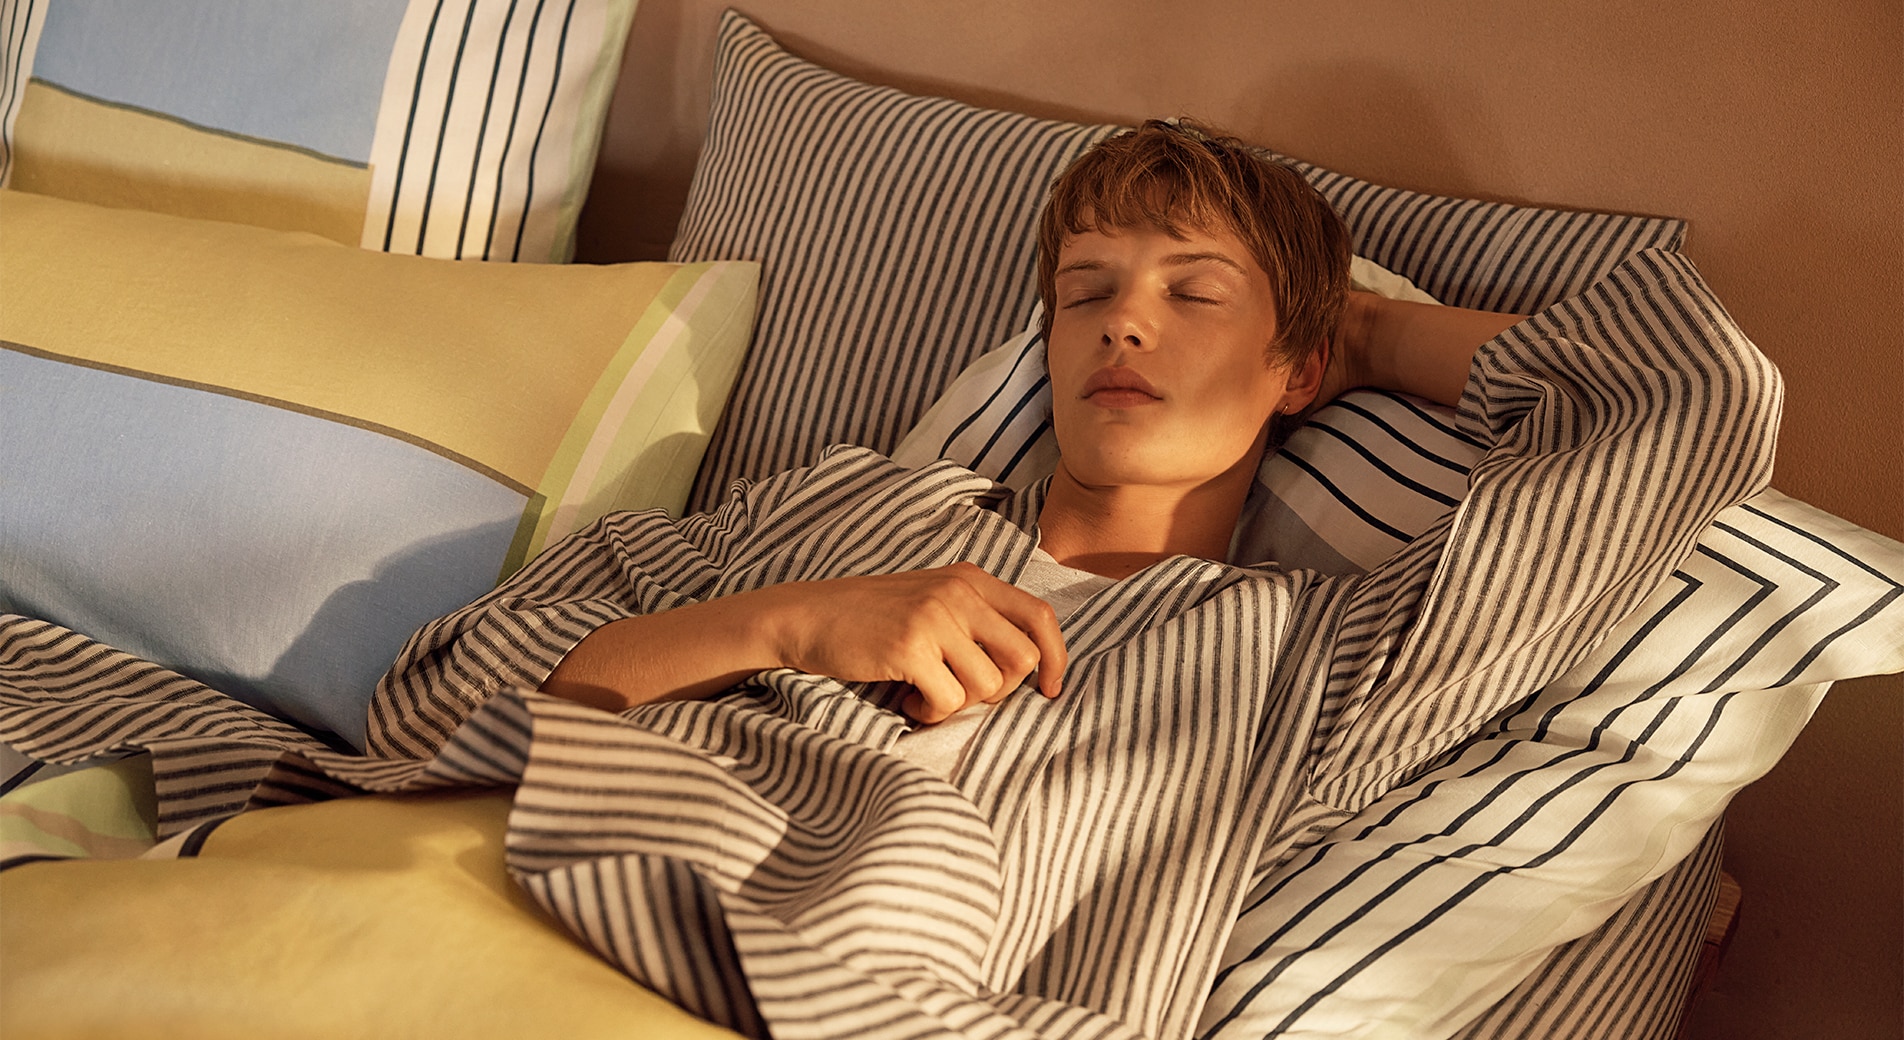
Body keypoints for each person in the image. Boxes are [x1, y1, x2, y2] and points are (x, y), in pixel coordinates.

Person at [5, 120, 1781, 1040]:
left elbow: (1691, 394)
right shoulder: (855, 497)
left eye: (1191, 288)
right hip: (460, 867)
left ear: (1296, 361)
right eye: (1084, 290)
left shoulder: (1313, 658)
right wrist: (790, 621)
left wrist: (1366, 325)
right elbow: (442, 693)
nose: (1124, 323)